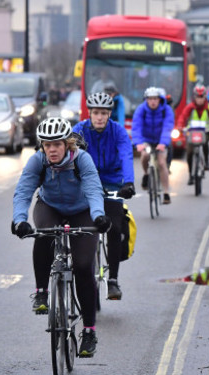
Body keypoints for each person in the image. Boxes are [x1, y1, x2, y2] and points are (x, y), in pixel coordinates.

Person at [12, 117, 111, 358]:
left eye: (57, 144)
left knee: (84, 266)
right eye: (47, 145)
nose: (52, 149)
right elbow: (24, 191)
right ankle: (42, 292)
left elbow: (93, 189)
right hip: (50, 206)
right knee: (42, 234)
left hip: (82, 210)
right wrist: (19, 220)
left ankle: (88, 331)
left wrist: (98, 216)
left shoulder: (82, 160)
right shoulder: (38, 161)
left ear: (67, 144)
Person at [73, 92, 134, 300]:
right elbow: (69, 153)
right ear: (89, 113)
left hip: (112, 181)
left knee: (115, 227)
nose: (99, 117)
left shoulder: (118, 131)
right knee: (78, 224)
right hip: (87, 181)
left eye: (104, 113)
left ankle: (114, 280)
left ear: (110, 114)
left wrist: (128, 182)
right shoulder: (79, 129)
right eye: (96, 113)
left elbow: (126, 154)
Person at [131, 87, 174, 204]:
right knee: (144, 155)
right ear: (146, 100)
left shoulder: (167, 110)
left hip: (161, 140)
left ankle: (166, 192)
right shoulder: (141, 110)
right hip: (146, 140)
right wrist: (138, 144)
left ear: (160, 99)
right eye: (150, 99)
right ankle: (146, 174)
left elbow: (167, 127)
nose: (153, 101)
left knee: (161, 163)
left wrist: (163, 143)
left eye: (155, 99)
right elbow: (136, 127)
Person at [176, 84, 209, 181]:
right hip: (192, 133)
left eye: (202, 97)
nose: (199, 99)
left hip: (205, 132)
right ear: (194, 97)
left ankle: (206, 161)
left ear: (205, 96)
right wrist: (180, 126)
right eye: (197, 97)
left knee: (205, 143)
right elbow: (182, 117)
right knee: (189, 152)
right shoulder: (190, 107)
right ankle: (190, 175)